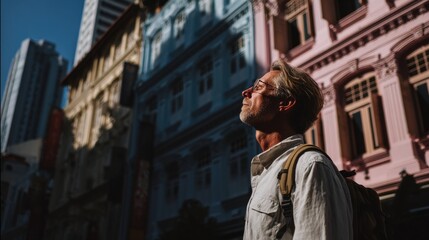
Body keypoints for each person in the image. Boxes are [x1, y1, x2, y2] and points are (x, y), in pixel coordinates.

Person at [240, 59, 353, 240]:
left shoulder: (310, 166)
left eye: (258, 88)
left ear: (285, 103)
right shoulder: (268, 173)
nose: (246, 93)